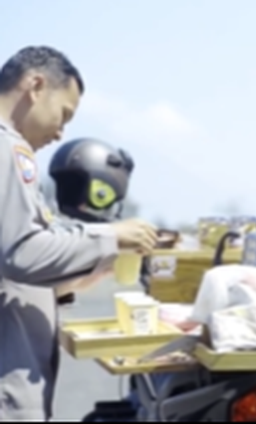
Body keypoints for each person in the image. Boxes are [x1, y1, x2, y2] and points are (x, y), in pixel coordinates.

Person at [0, 46, 158, 421]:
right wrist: (112, 238)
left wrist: (86, 268)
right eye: (63, 114)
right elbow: (20, 255)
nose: (60, 132)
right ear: (36, 86)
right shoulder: (9, 149)